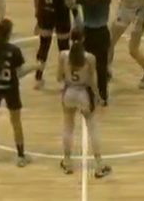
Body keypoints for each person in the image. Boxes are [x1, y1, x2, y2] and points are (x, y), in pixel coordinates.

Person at [57, 27, 112, 178]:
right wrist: (98, 96)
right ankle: (99, 165)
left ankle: (67, 161)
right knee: (92, 127)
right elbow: (92, 81)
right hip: (83, 94)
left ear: (70, 38)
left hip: (69, 92)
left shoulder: (63, 55)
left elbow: (58, 78)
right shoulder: (89, 58)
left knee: (68, 127)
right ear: (83, 39)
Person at [0, 19, 37, 167]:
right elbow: (19, 73)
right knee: (16, 122)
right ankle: (20, 156)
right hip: (10, 88)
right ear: (9, 33)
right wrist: (35, 67)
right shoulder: (14, 51)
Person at [33, 0, 83, 89]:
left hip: (45, 13)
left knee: (43, 46)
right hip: (61, 14)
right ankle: (65, 80)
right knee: (64, 48)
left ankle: (38, 79)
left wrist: (37, 14)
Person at [75, 0, 112, 105]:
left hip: (89, 35)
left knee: (88, 65)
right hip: (102, 34)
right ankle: (103, 96)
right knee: (102, 67)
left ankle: (90, 94)